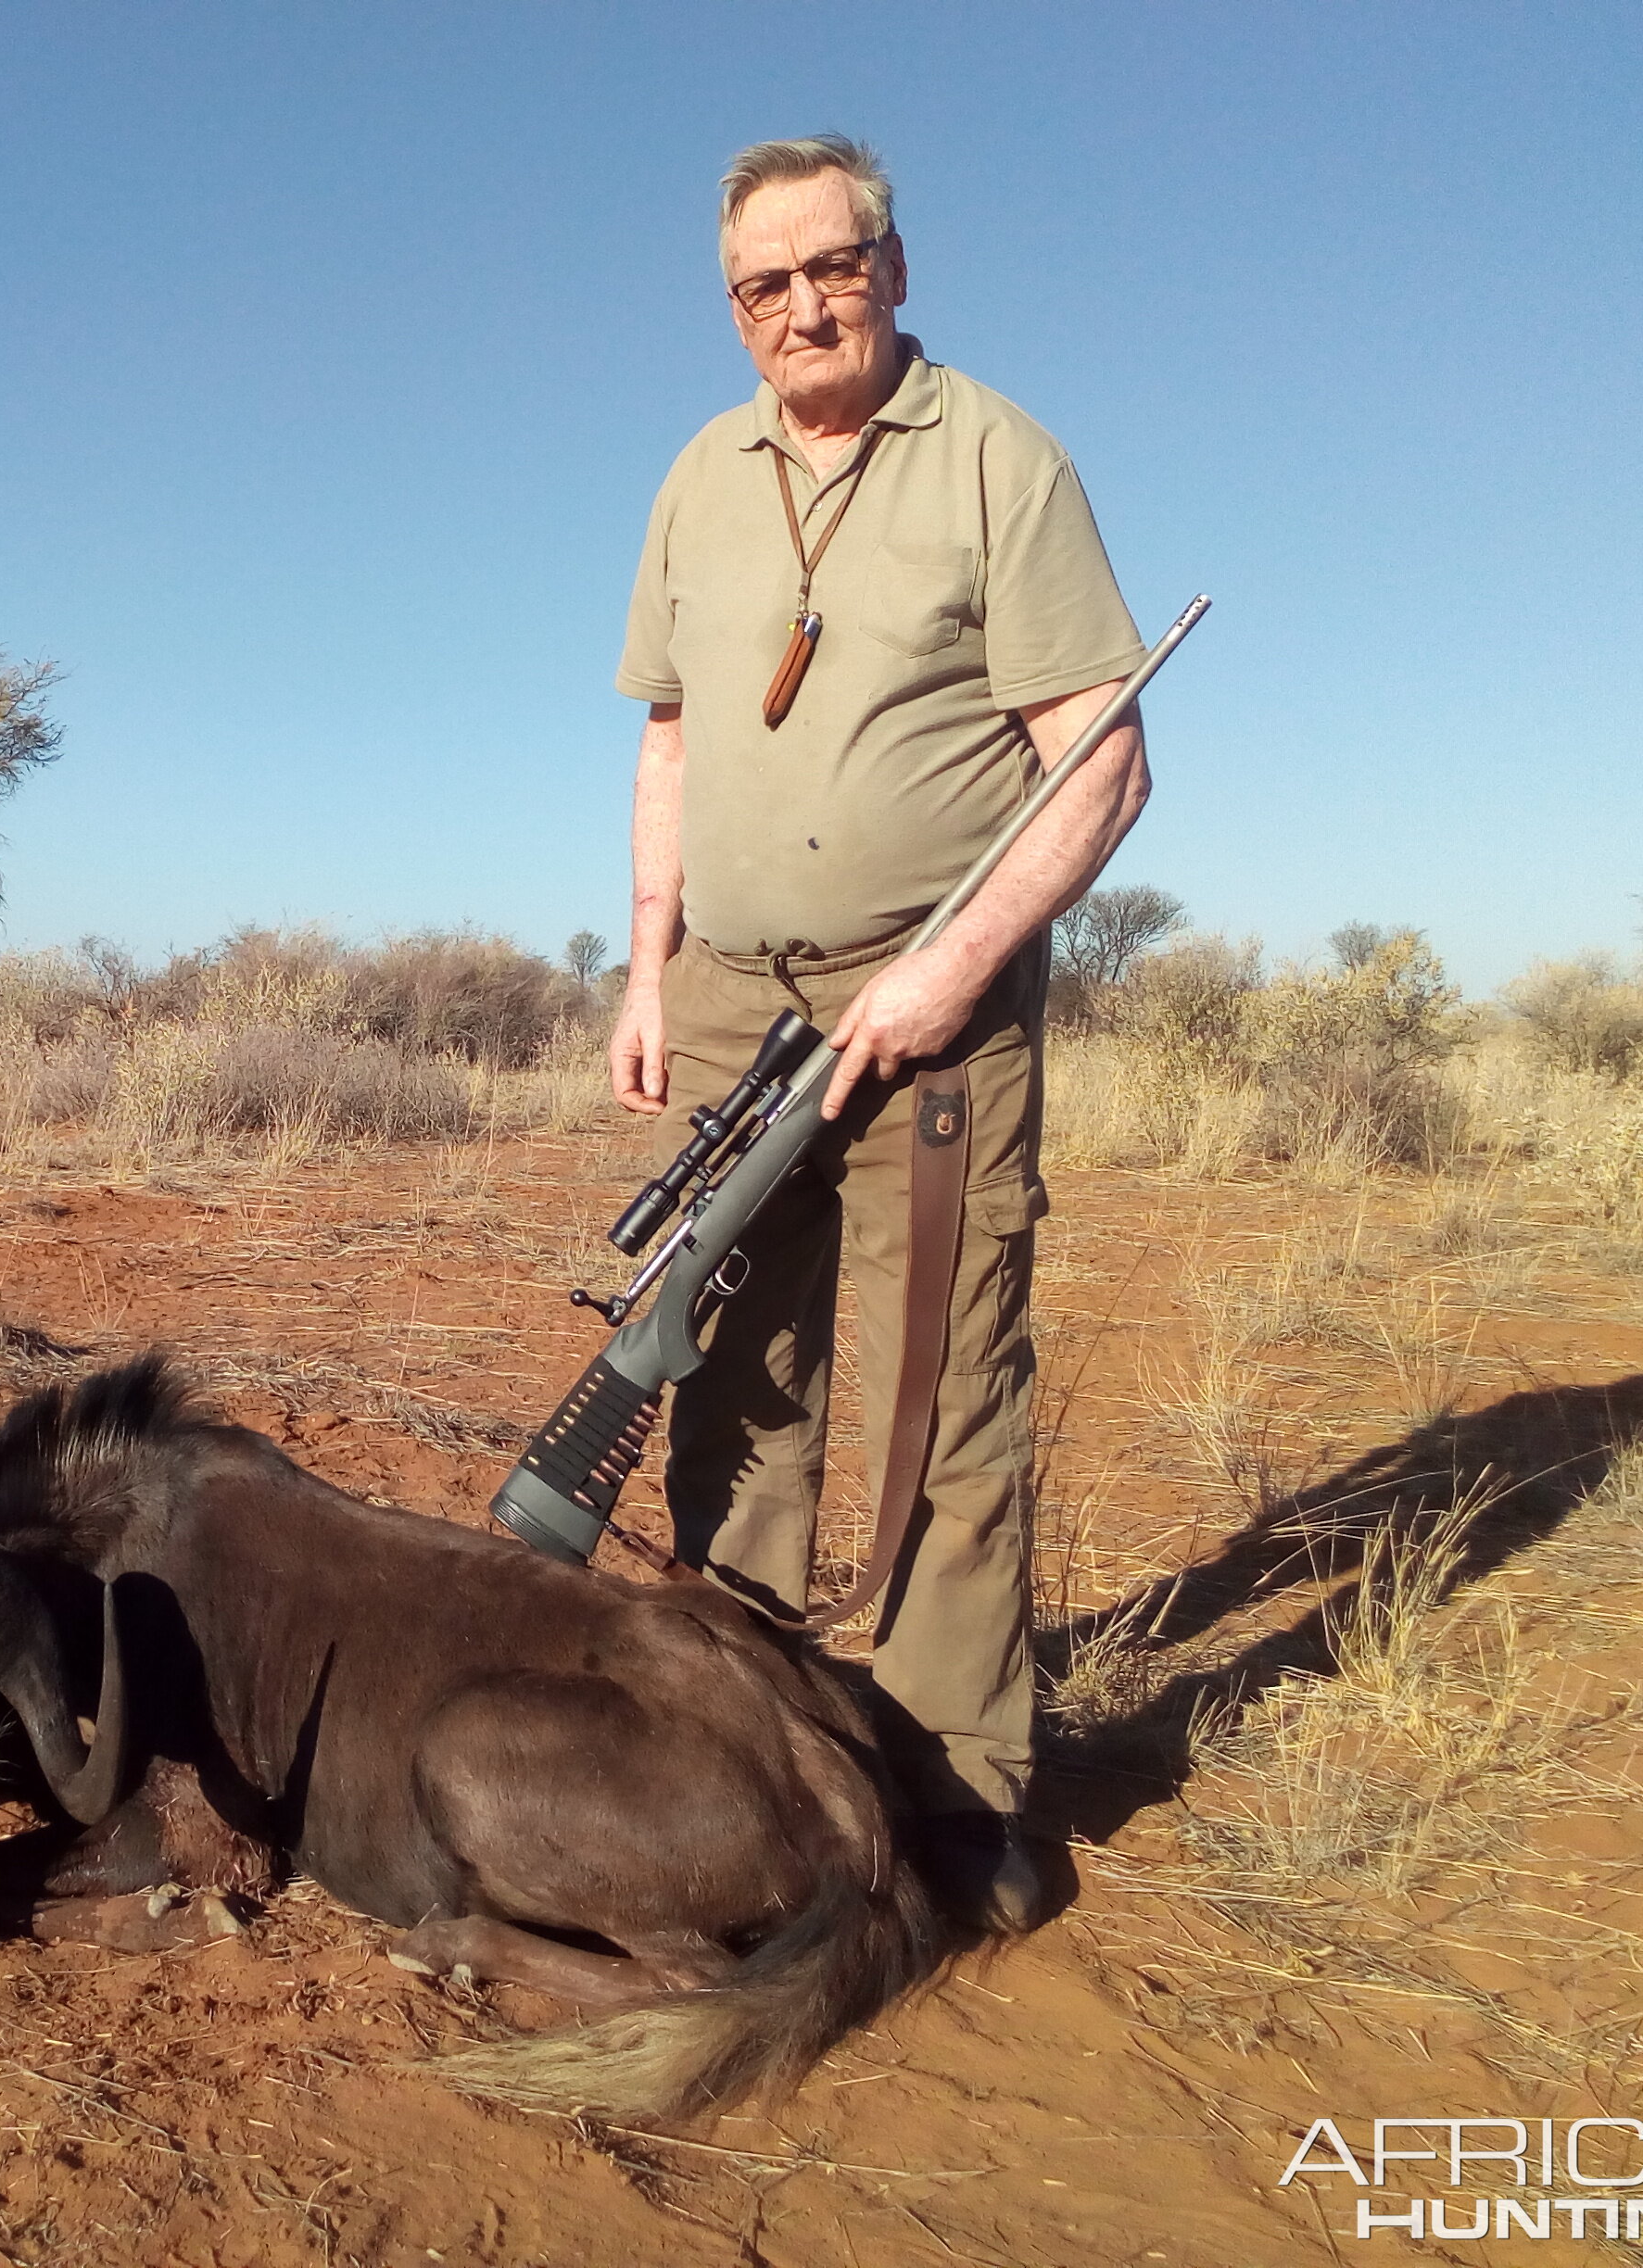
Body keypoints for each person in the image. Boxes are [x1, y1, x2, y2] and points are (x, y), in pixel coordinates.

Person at [606, 135, 1152, 1932]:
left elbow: (1106, 758)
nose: (802, 304)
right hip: (731, 1007)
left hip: (939, 1011)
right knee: (736, 1386)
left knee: (944, 1396)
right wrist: (643, 968)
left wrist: (948, 971)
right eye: (763, 284)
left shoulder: (1003, 458)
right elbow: (673, 744)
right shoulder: (696, 474)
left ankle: (948, 1804)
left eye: (833, 265)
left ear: (897, 267)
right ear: (732, 307)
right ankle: (736, 1763)